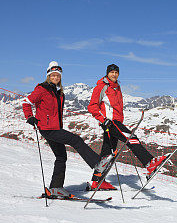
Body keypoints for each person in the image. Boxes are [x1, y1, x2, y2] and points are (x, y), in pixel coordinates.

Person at [23, 61, 113, 198]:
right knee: (75, 139)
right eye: (53, 75)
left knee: (61, 156)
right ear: (48, 76)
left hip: (55, 128)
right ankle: (97, 163)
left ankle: (55, 188)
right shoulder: (42, 89)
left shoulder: (59, 93)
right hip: (47, 128)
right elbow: (26, 102)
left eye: (57, 75)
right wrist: (30, 117)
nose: (55, 77)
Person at [88, 63, 167, 189]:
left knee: (107, 153)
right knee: (132, 138)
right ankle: (150, 163)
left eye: (116, 72)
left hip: (116, 122)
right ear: (107, 73)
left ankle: (97, 181)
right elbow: (92, 106)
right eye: (112, 72)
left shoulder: (117, 87)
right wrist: (103, 120)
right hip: (111, 122)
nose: (114, 74)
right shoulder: (101, 87)